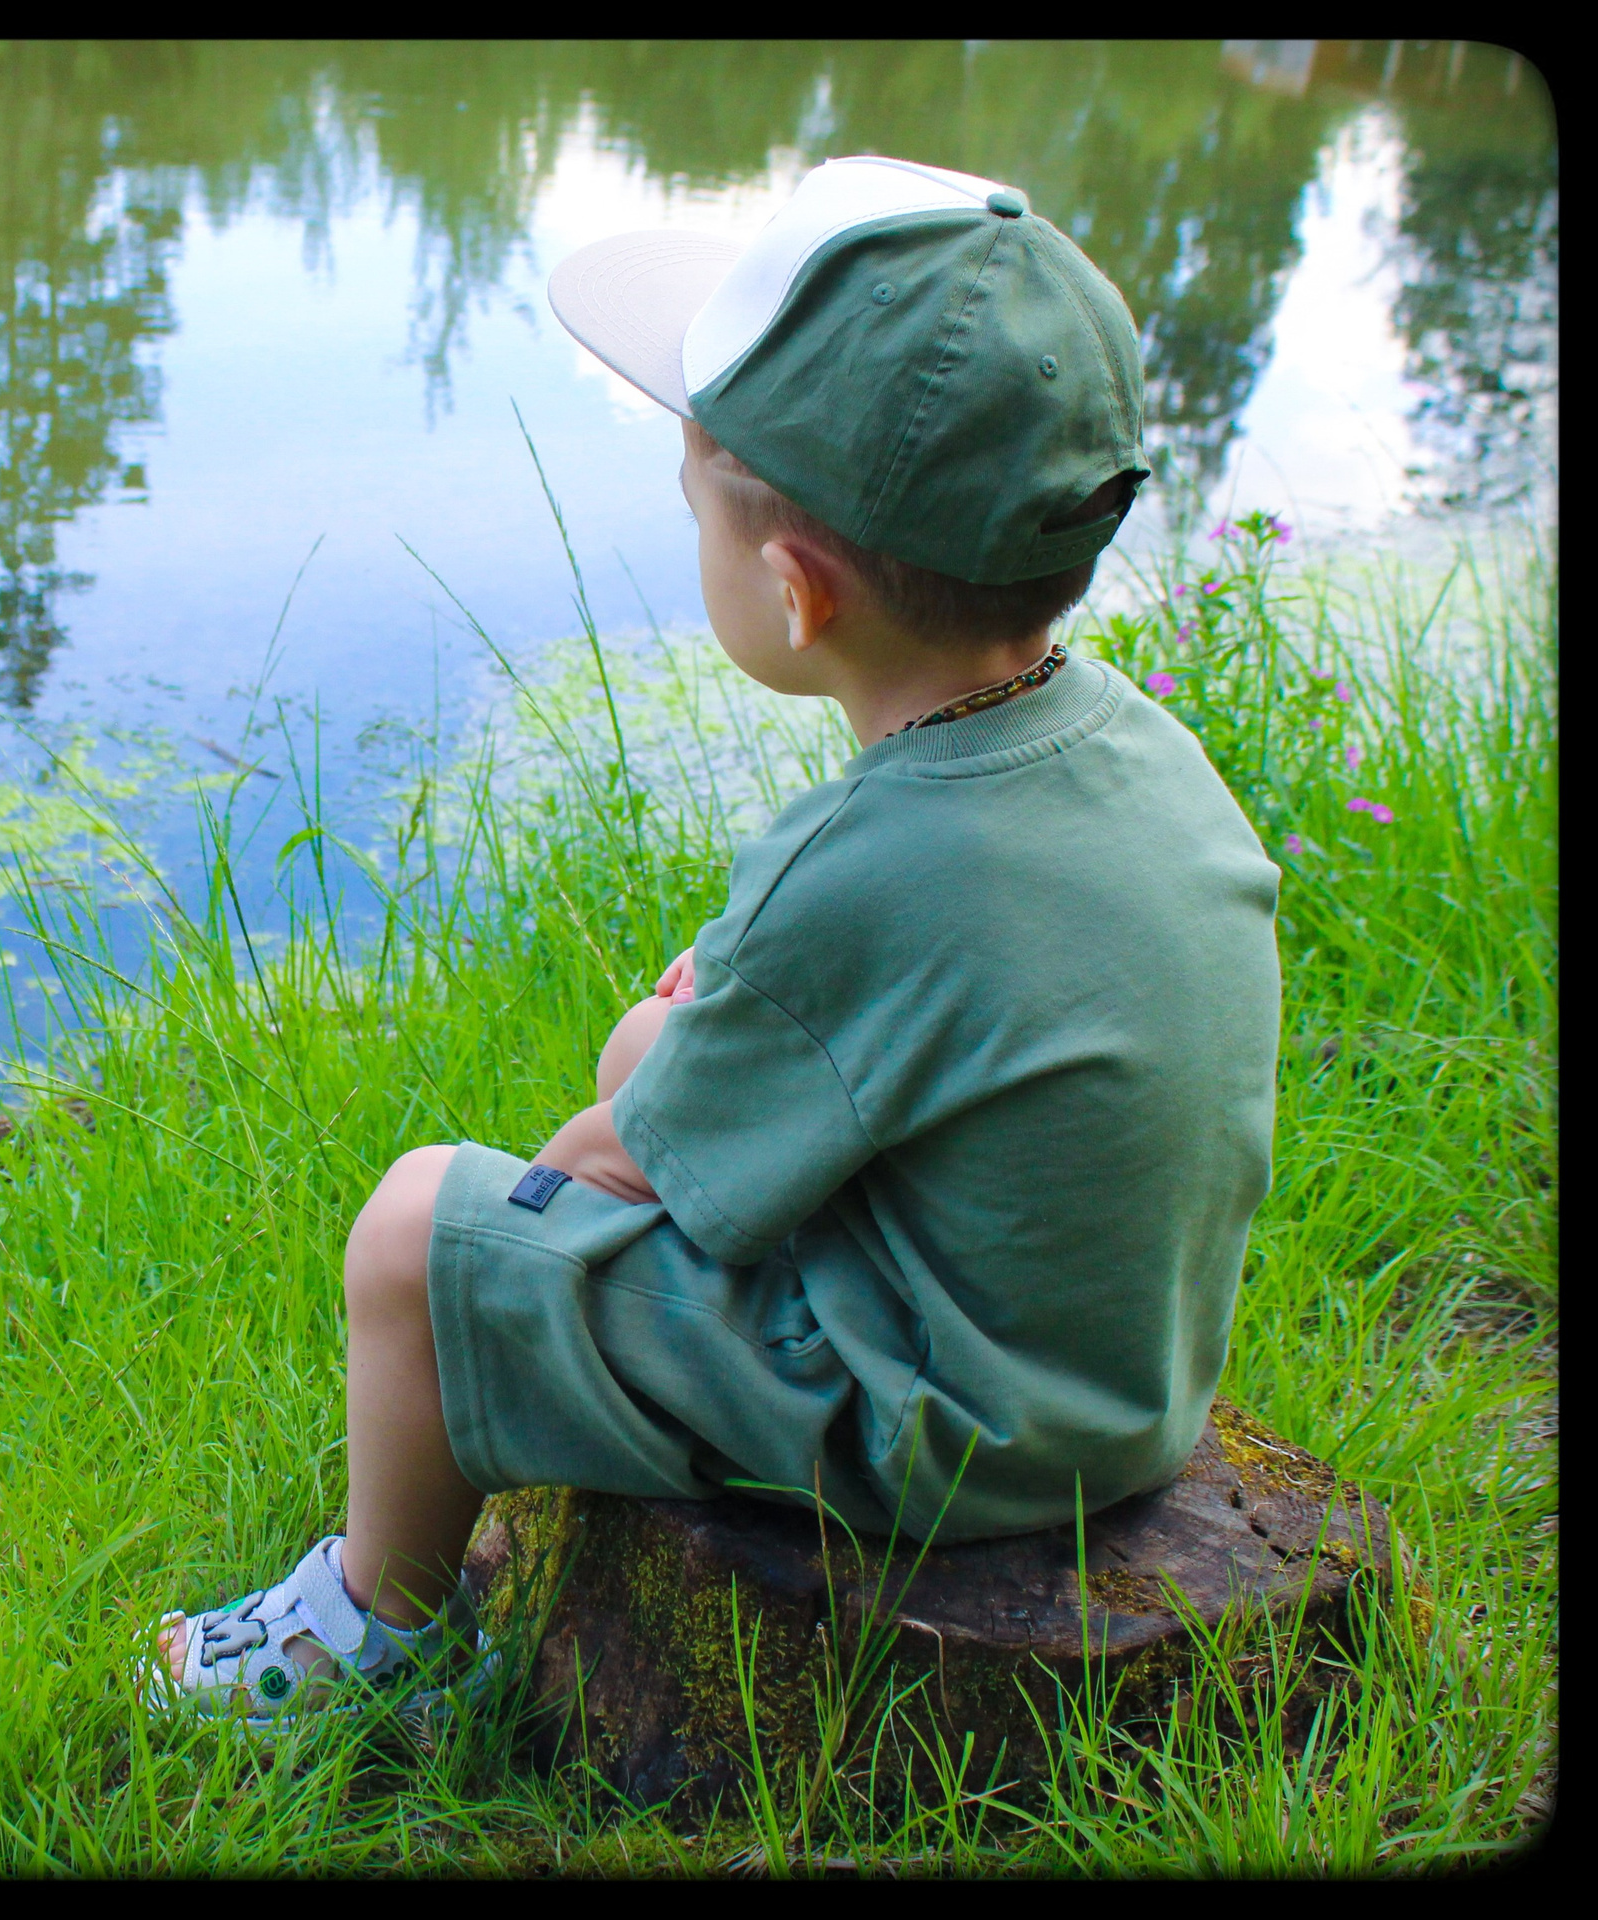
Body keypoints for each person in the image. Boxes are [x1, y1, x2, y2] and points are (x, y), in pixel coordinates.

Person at [150, 156, 1282, 1729]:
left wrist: (547, 1191)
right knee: (658, 1051)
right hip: (1122, 1376)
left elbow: (640, 1162)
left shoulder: (857, 866)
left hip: (956, 1430)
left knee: (419, 1233)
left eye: (696, 498)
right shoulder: (1146, 756)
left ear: (794, 591)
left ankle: (380, 1637)